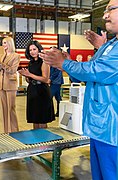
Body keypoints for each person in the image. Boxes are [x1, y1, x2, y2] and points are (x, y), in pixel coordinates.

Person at [40, 0, 117, 179]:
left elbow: (96, 70)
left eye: (110, 10)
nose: (105, 15)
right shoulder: (110, 45)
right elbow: (88, 73)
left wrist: (65, 63)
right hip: (100, 126)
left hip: (113, 131)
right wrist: (67, 65)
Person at [18, 40, 55, 129]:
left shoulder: (44, 62)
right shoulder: (31, 63)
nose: (32, 52)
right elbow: (30, 79)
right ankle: (36, 140)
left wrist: (29, 74)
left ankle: (44, 139)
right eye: (30, 50)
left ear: (39, 50)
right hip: (32, 91)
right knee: (34, 118)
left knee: (42, 119)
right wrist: (26, 75)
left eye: (34, 49)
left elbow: (45, 79)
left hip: (42, 92)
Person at [0, 37, 20, 133]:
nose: (3, 45)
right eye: (2, 43)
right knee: (4, 108)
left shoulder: (16, 56)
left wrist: (1, 63)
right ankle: (6, 130)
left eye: (5, 43)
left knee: (11, 108)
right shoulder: (1, 55)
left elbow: (12, 70)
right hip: (1, 84)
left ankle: (14, 130)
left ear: (10, 44)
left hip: (11, 84)